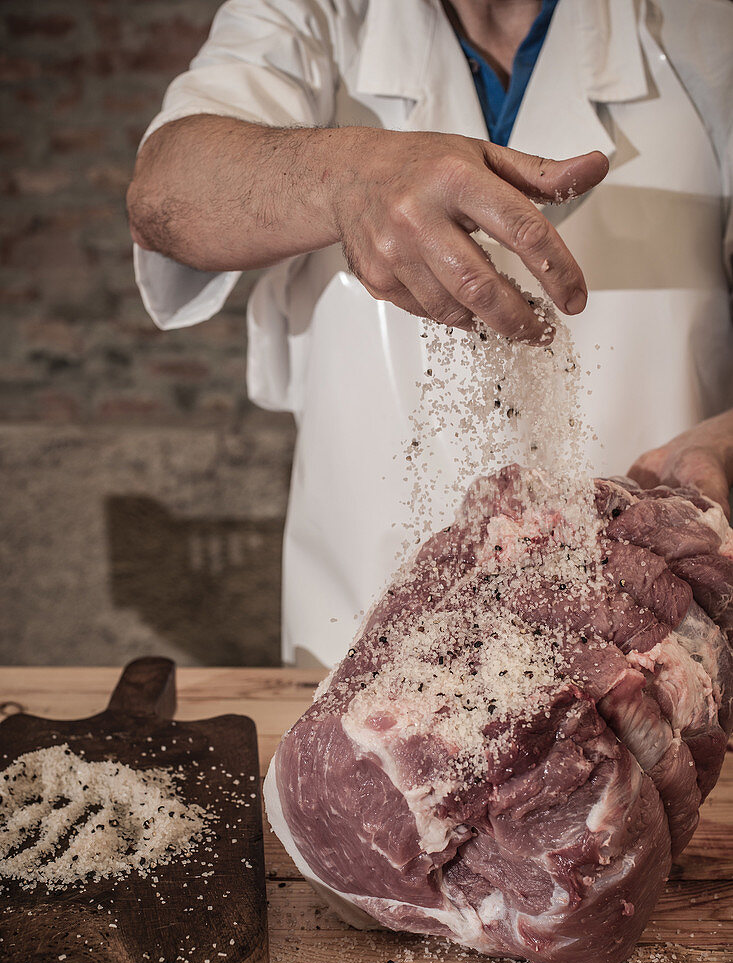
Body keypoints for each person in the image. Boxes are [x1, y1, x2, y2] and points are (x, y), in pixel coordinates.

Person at [127, 0, 733, 668]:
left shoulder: (702, 22)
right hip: (361, 641)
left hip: (647, 646)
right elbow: (162, 194)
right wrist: (352, 178)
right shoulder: (313, 14)